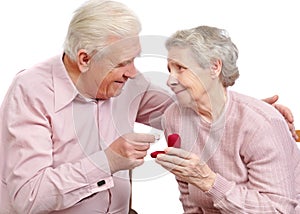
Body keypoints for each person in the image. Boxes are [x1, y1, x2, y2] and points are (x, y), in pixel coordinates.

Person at [0, 0, 296, 213]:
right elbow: (28, 198)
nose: (132, 72)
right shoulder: (31, 91)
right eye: (122, 62)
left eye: (135, 58)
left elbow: (186, 108)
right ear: (85, 59)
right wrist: (108, 161)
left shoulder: (127, 82)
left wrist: (249, 110)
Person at [155, 25, 300, 213]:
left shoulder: (259, 124)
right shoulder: (174, 117)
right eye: (169, 70)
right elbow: (189, 197)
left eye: (181, 68)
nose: (170, 80)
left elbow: (279, 210)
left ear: (214, 67)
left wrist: (208, 181)